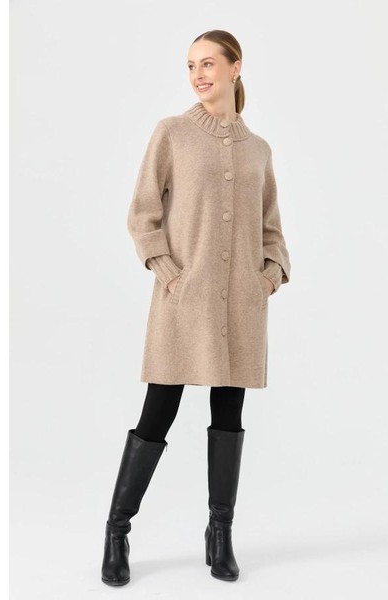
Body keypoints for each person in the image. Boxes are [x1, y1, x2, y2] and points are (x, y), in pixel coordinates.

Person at [101, 29, 291, 586]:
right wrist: (168, 272)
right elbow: (142, 213)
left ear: (236, 67)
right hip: (183, 300)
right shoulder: (173, 133)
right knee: (157, 412)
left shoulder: (259, 150)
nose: (198, 74)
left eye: (208, 63)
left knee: (228, 416)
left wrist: (269, 276)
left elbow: (272, 229)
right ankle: (116, 531)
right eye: (190, 65)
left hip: (241, 308)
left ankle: (220, 534)